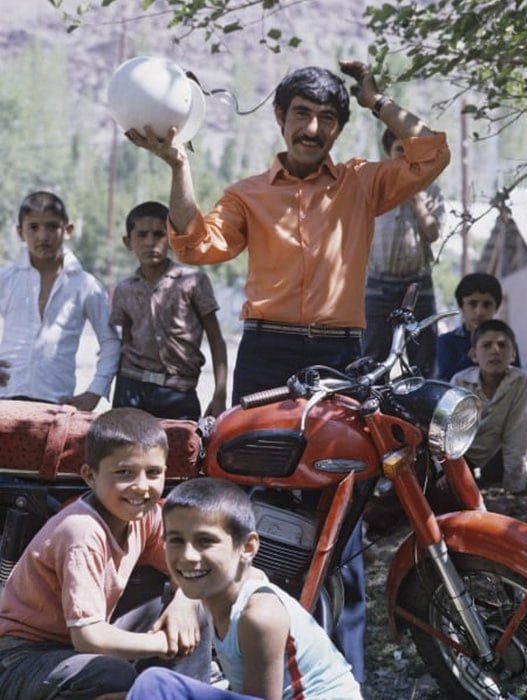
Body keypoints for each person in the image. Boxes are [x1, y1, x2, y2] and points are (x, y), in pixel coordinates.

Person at [126, 60, 450, 683]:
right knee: (247, 499)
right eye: (301, 113)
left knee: (342, 501)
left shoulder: (362, 182)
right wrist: (179, 164)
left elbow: (431, 154)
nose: (313, 127)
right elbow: (198, 245)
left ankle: (339, 675)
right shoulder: (248, 192)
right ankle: (240, 661)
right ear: (281, 119)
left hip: (342, 360)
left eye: (328, 118)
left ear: (337, 129)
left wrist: (376, 99)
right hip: (267, 355)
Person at [0, 407, 211, 698]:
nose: (141, 487)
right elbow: (89, 638)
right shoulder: (81, 532)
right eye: (124, 472)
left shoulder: (143, 515)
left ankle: (183, 694)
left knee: (193, 612)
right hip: (20, 658)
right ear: (89, 475)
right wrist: (166, 644)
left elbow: (190, 568)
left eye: (153, 473)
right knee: (111, 673)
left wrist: (185, 604)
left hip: (72, 648)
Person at [124, 478, 363, 700]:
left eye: (206, 541)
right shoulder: (223, 587)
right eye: (175, 540)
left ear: (248, 547)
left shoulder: (259, 616)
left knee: (155, 685)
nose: (187, 556)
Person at [0, 191, 120, 410]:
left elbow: (111, 341)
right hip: (5, 396)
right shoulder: (6, 279)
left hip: (55, 401)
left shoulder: (85, 285)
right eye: (33, 227)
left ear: (67, 230)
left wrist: (96, 390)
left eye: (52, 226)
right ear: (20, 232)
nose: (43, 236)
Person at [111, 201, 228, 420]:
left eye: (159, 235)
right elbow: (124, 341)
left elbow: (216, 339)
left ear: (172, 239)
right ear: (128, 242)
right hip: (132, 385)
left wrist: (220, 393)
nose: (150, 243)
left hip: (178, 390)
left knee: (179, 449)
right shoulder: (124, 289)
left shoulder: (192, 281)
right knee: (125, 450)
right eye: (142, 235)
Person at [362, 127, 445, 377]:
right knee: (373, 360)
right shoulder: (375, 188)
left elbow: (433, 233)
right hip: (378, 285)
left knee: (423, 361)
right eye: (400, 150)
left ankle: (416, 414)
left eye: (411, 151)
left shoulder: (431, 190)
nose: (405, 157)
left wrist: (416, 197)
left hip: (417, 285)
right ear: (389, 153)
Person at [451, 319, 527, 494]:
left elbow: (517, 431)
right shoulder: (460, 381)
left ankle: (493, 476)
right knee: (450, 492)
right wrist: (448, 470)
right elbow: (450, 434)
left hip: (493, 450)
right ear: (474, 354)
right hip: (464, 453)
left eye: (503, 345)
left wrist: (515, 484)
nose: (495, 351)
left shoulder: (518, 380)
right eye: (486, 345)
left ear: (513, 355)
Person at [436, 272, 522, 382]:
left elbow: (517, 381)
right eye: (472, 304)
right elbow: (445, 383)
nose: (479, 312)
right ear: (462, 306)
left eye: (487, 304)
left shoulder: (506, 343)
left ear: (496, 307)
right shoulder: (447, 342)